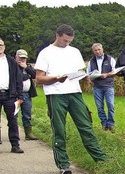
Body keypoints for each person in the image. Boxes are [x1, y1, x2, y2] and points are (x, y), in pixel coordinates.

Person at [34, 24, 108, 173]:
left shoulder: (74, 52)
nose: (67, 44)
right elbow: (39, 79)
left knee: (86, 126)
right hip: (55, 95)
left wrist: (85, 77)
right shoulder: (45, 53)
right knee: (59, 130)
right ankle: (63, 165)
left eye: (69, 41)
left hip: (75, 93)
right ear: (57, 36)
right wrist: (55, 78)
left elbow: (79, 71)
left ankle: (101, 159)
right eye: (64, 41)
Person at [0, 38, 25, 153]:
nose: (0, 46)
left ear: (4, 47)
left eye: (1, 45)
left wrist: (20, 96)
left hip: (11, 95)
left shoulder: (11, 61)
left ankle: (15, 145)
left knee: (13, 120)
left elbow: (18, 80)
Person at [86, 43, 117, 131]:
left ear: (102, 49)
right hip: (97, 87)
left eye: (99, 49)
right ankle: (104, 123)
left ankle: (111, 124)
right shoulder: (91, 61)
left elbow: (115, 71)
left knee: (110, 105)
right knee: (99, 107)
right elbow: (88, 73)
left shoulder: (110, 59)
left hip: (108, 86)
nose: (97, 51)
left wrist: (107, 75)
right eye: (95, 50)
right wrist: (89, 79)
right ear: (93, 51)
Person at [16, 49, 39, 140]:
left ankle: (28, 133)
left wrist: (26, 68)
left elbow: (35, 75)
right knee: (14, 114)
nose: (22, 60)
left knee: (27, 114)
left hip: (27, 94)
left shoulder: (28, 67)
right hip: (16, 95)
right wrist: (26, 76)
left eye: (24, 58)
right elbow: (17, 78)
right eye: (21, 58)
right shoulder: (13, 66)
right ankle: (14, 134)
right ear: (16, 57)